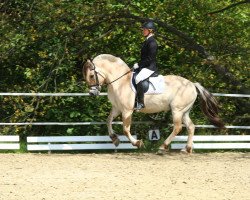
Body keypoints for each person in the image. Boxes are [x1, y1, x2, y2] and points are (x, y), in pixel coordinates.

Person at [133, 20, 158, 111]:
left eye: (144, 29)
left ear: (150, 31)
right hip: (145, 66)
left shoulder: (152, 43)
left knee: (138, 78)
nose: (143, 31)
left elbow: (150, 59)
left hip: (150, 67)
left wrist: (139, 65)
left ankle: (140, 103)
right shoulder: (147, 41)